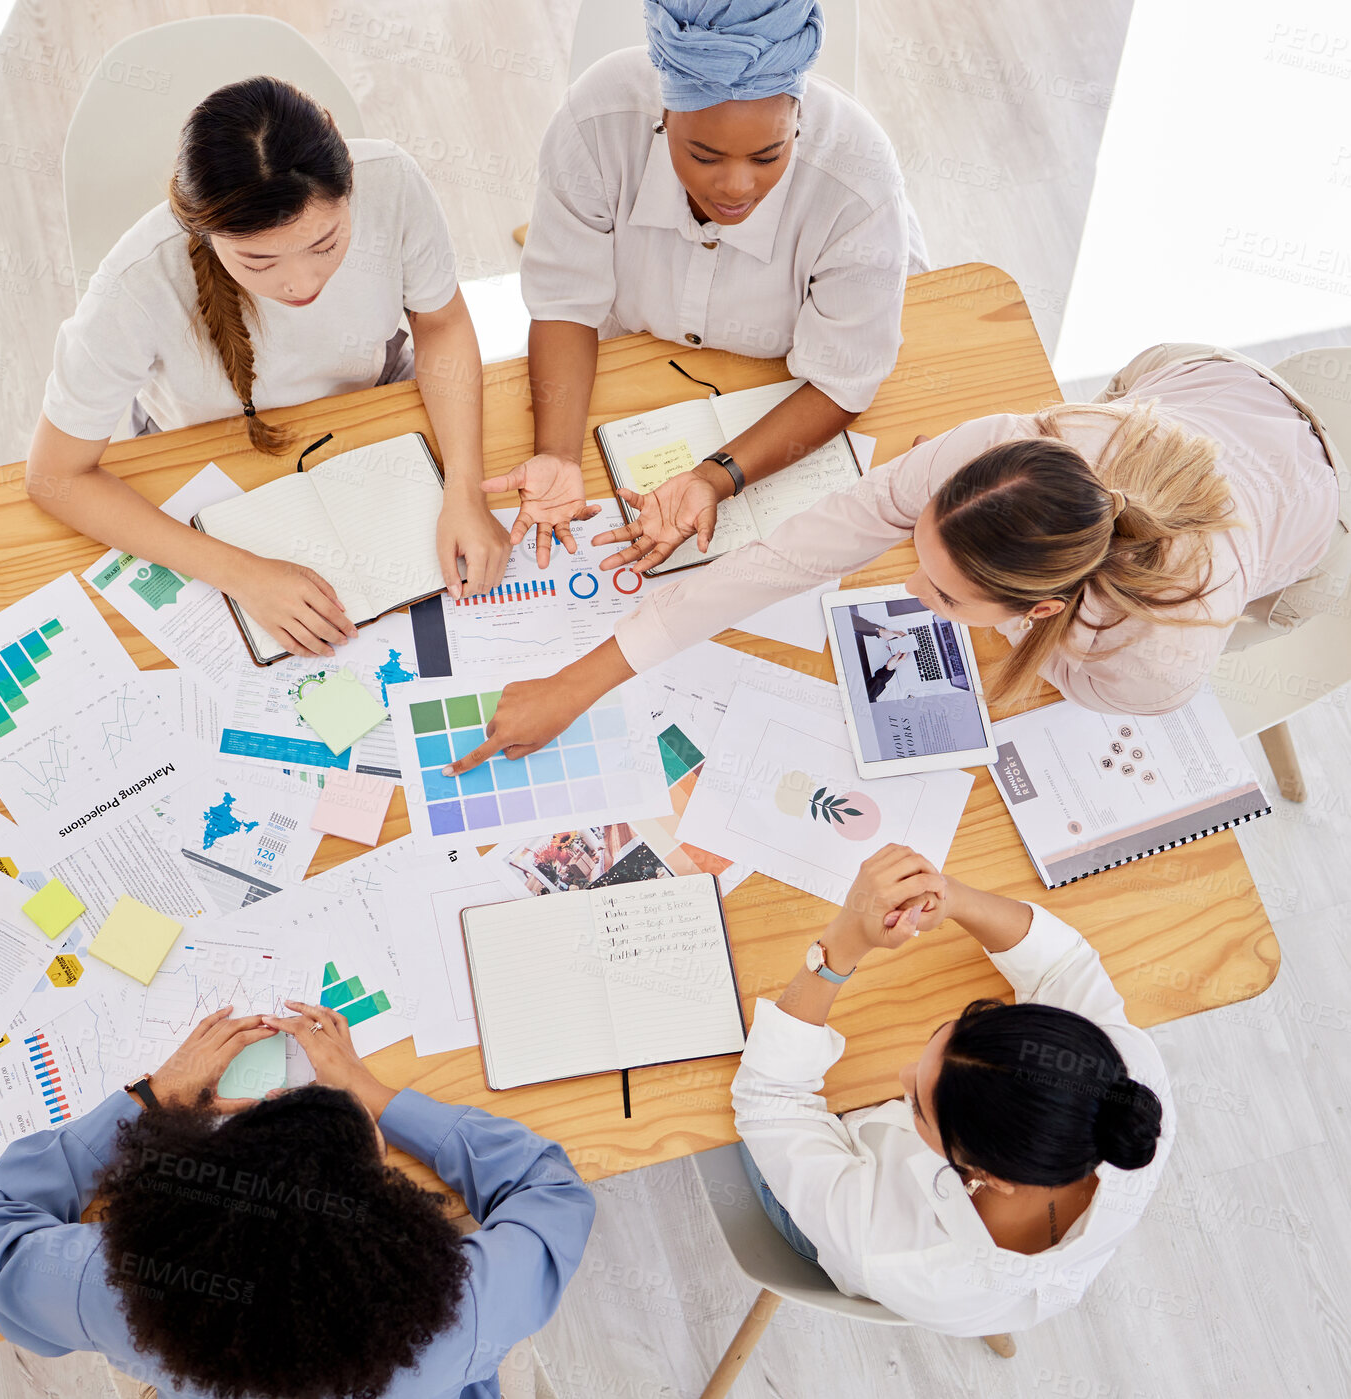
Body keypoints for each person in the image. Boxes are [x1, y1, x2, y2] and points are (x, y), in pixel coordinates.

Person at [445, 343, 1348, 777]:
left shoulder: (1155, 662)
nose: (910, 595)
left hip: (1308, 498)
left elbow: (1058, 686)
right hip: (1203, 376)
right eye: (923, 557)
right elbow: (790, 554)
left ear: (1042, 612)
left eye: (947, 596)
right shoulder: (989, 447)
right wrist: (581, 680)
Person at [27, 76, 511, 658]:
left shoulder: (393, 181)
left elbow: (443, 325)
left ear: (349, 186)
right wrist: (242, 574)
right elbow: (55, 477)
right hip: (208, 453)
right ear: (204, 233)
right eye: (257, 261)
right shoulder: (133, 286)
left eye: (326, 244)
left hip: (371, 412)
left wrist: (464, 488)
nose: (301, 283)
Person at [0, 1001, 595, 1399]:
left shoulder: (122, 1285)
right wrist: (376, 1095)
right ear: (388, 1201)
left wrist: (150, 1102)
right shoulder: (464, 1309)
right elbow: (551, 1189)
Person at [483, 0, 925, 570]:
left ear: (798, 116)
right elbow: (566, 305)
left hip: (781, 388)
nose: (737, 187)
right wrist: (559, 455)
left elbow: (844, 379)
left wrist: (716, 478)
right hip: (632, 362)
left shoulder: (859, 180)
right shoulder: (595, 121)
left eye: (769, 156)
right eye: (704, 155)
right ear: (664, 111)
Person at [730, 843, 1171, 1336]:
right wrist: (954, 898)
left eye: (917, 1106)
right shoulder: (1123, 1084)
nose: (901, 1077)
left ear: (986, 1174)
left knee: (726, 1053)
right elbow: (1062, 967)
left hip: (826, 1219)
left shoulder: (890, 1245)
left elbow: (767, 1100)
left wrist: (842, 945)